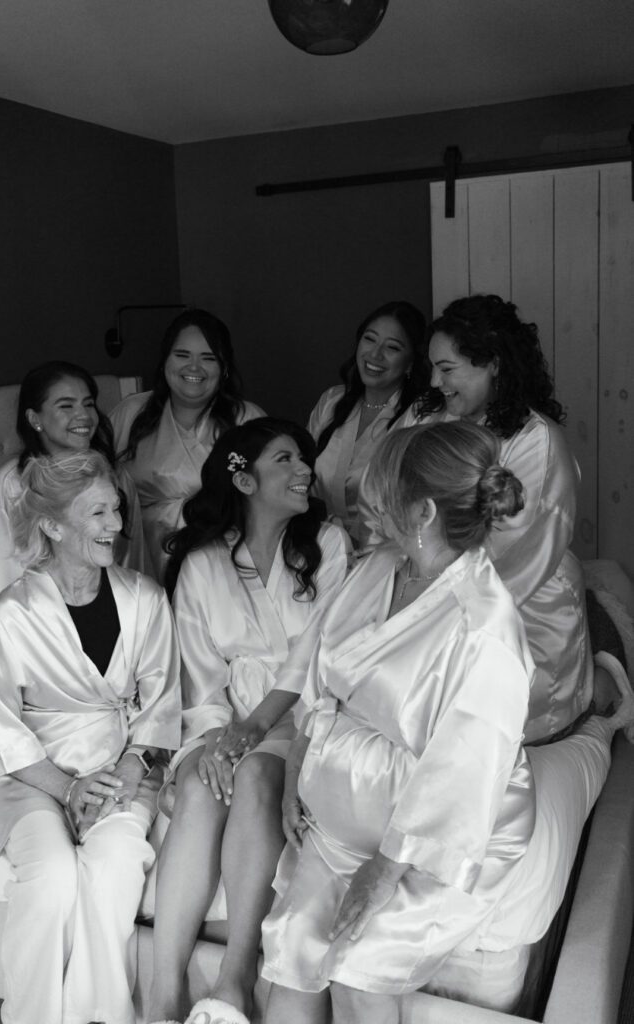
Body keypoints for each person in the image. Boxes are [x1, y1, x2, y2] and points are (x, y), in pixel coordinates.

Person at [261, 421, 634, 1024]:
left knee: (359, 970)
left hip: (435, 839)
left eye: (381, 488)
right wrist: (296, 766)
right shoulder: (379, 568)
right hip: (340, 815)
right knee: (291, 955)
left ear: (424, 510)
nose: (365, 498)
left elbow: (466, 769)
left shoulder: (485, 626)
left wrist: (385, 872)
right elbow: (319, 668)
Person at [146, 418, 347, 1024]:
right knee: (203, 791)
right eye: (285, 459)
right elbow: (200, 679)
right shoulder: (204, 563)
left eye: (304, 458)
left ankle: (234, 980)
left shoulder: (328, 547)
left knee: (258, 778)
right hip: (228, 720)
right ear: (244, 476)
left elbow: (315, 655)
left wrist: (249, 733)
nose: (304, 470)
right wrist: (213, 742)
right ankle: (163, 994)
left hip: (306, 718)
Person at [0, 450, 182, 1024]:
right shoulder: (5, 617)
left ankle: (100, 1018)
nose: (116, 524)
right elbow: (1, 734)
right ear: (52, 525)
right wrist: (67, 789)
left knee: (113, 871)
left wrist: (129, 774)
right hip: (35, 780)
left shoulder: (145, 598)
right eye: (97, 514)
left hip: (121, 770)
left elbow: (161, 705)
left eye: (116, 509)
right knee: (52, 883)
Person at [402, 294, 591, 743]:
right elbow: (386, 493)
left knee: (471, 721)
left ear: (494, 364)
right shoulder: (426, 413)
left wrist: (420, 604)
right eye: (432, 367)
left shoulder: (536, 443)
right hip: (417, 577)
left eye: (447, 369)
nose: (434, 380)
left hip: (517, 603)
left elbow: (513, 554)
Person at [111, 308, 264, 580]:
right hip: (137, 558)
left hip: (221, 563)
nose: (194, 368)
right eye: (182, 355)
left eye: (208, 358)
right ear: (165, 360)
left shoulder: (247, 419)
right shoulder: (130, 413)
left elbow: (268, 496)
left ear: (224, 367)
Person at [0, 360, 146, 600]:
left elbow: (135, 564)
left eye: (89, 404)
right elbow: (6, 583)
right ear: (35, 419)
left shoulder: (116, 477)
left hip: (118, 615)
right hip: (39, 624)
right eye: (66, 406)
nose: (84, 416)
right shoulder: (10, 485)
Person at [307, 300, 427, 549]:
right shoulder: (331, 402)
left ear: (411, 362)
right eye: (369, 339)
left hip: (384, 556)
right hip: (319, 548)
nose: (375, 354)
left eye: (392, 347)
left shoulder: (420, 418)